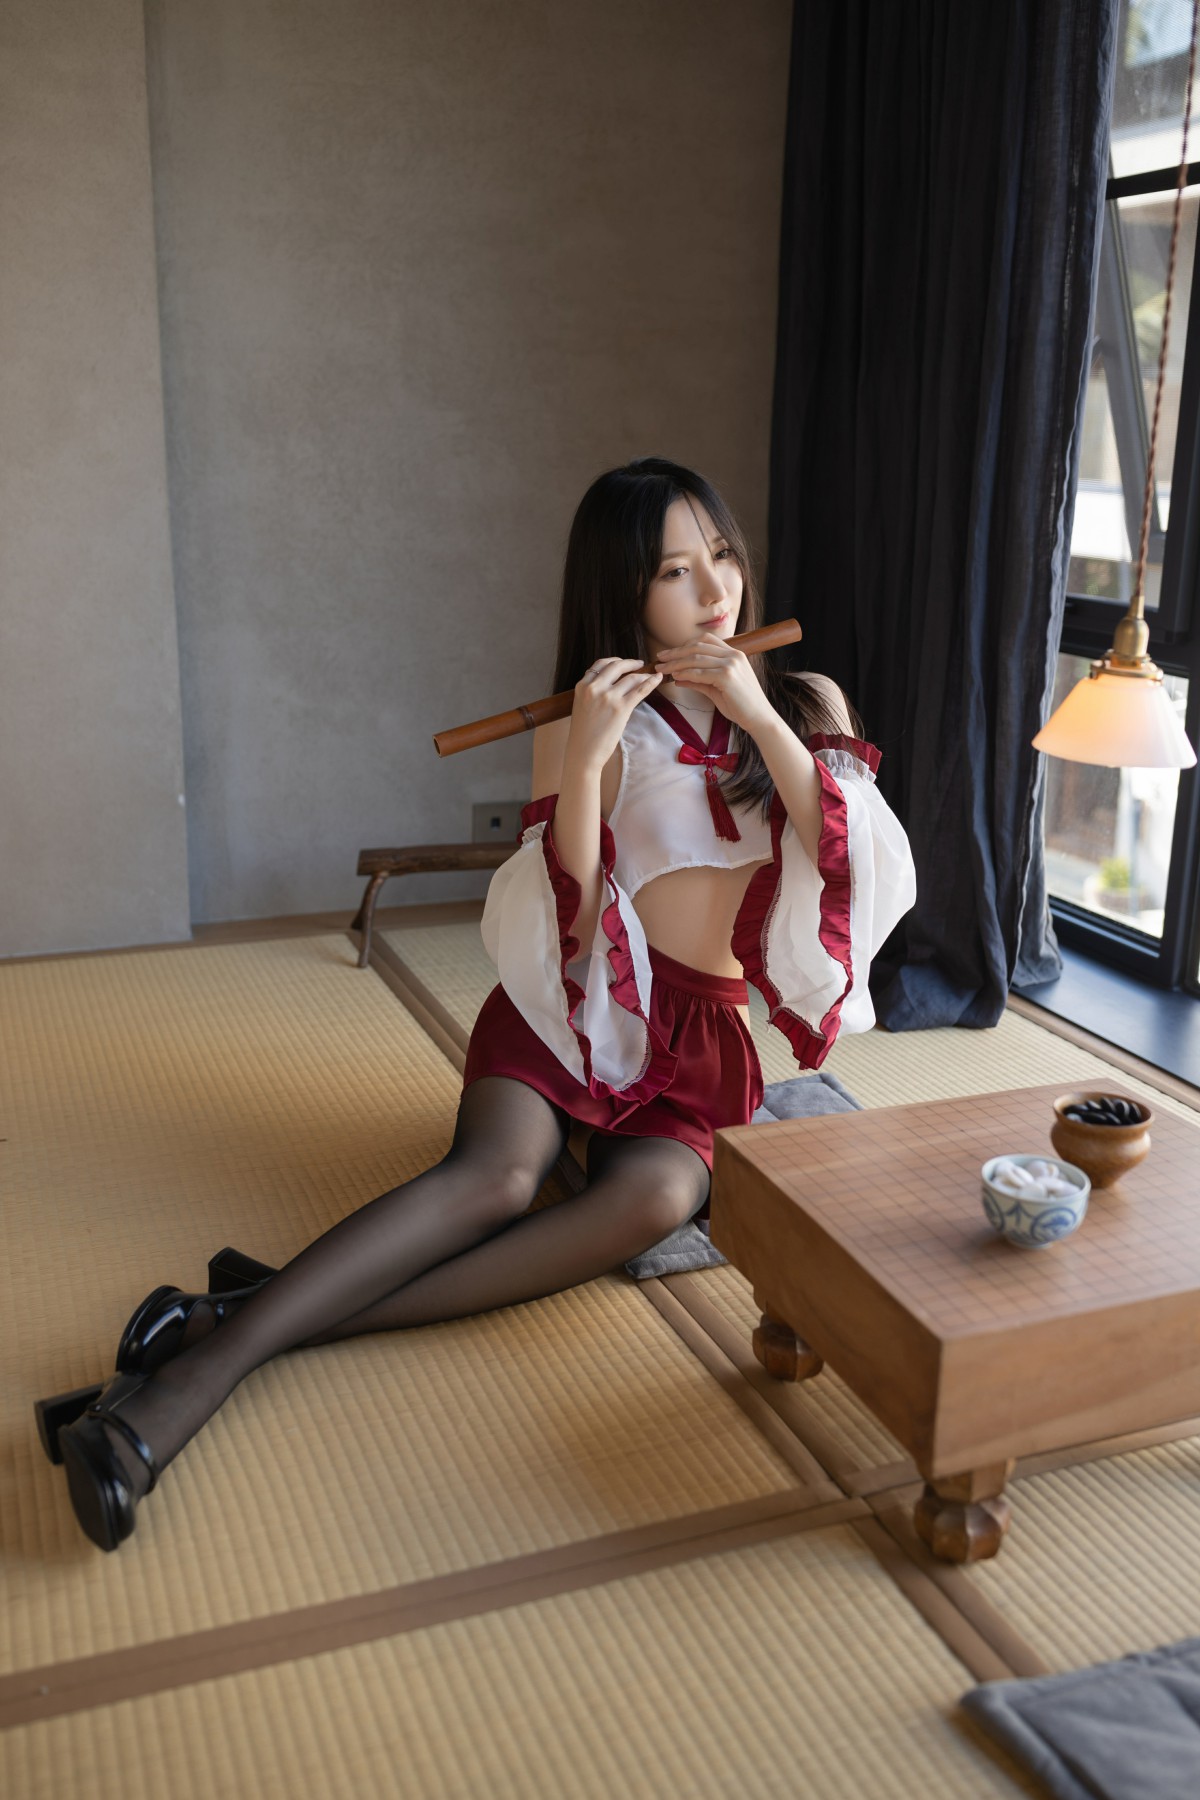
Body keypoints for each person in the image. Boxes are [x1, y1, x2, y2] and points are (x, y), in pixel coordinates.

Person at [45, 456, 917, 1551]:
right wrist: (588, 761)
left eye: (721, 556)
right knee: (497, 1177)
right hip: (574, 1006)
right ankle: (186, 1389)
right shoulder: (590, 712)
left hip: (699, 1040)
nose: (714, 591)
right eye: (674, 572)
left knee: (657, 1199)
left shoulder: (804, 699)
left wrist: (756, 713)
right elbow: (573, 918)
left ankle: (229, 1318)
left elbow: (856, 864)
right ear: (622, 591)